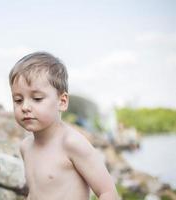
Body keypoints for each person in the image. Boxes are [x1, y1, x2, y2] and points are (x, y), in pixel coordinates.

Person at [9, 52, 119, 200]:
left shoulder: (72, 143)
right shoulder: (26, 147)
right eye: (18, 100)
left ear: (62, 101)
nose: (25, 106)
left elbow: (108, 192)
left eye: (37, 98)